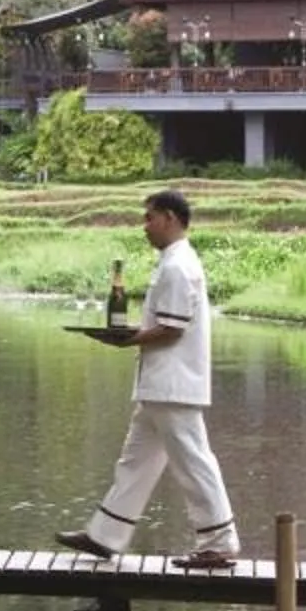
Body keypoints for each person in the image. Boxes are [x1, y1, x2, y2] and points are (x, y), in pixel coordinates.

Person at [59, 187, 240, 570]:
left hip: (174, 385)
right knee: (136, 462)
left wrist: (127, 340)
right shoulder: (174, 261)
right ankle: (105, 536)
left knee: (193, 461)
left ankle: (220, 543)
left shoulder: (178, 266)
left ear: (170, 218)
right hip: (161, 385)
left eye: (149, 218)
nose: (145, 226)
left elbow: (172, 329)